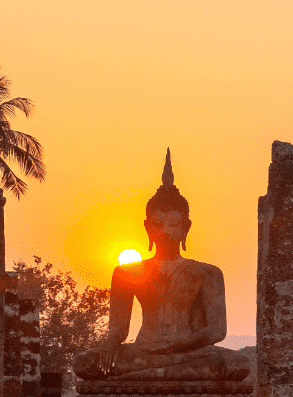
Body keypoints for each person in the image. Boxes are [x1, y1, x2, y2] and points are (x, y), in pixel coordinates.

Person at [73, 150, 250, 381]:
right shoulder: (126, 273)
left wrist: (178, 345)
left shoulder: (207, 273)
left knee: (236, 364)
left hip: (189, 353)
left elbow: (217, 330)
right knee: (84, 363)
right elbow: (119, 326)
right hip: (143, 352)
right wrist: (110, 343)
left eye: (174, 224)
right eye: (159, 224)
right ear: (148, 228)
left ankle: (149, 376)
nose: (166, 231)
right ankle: (159, 373)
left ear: (186, 227)